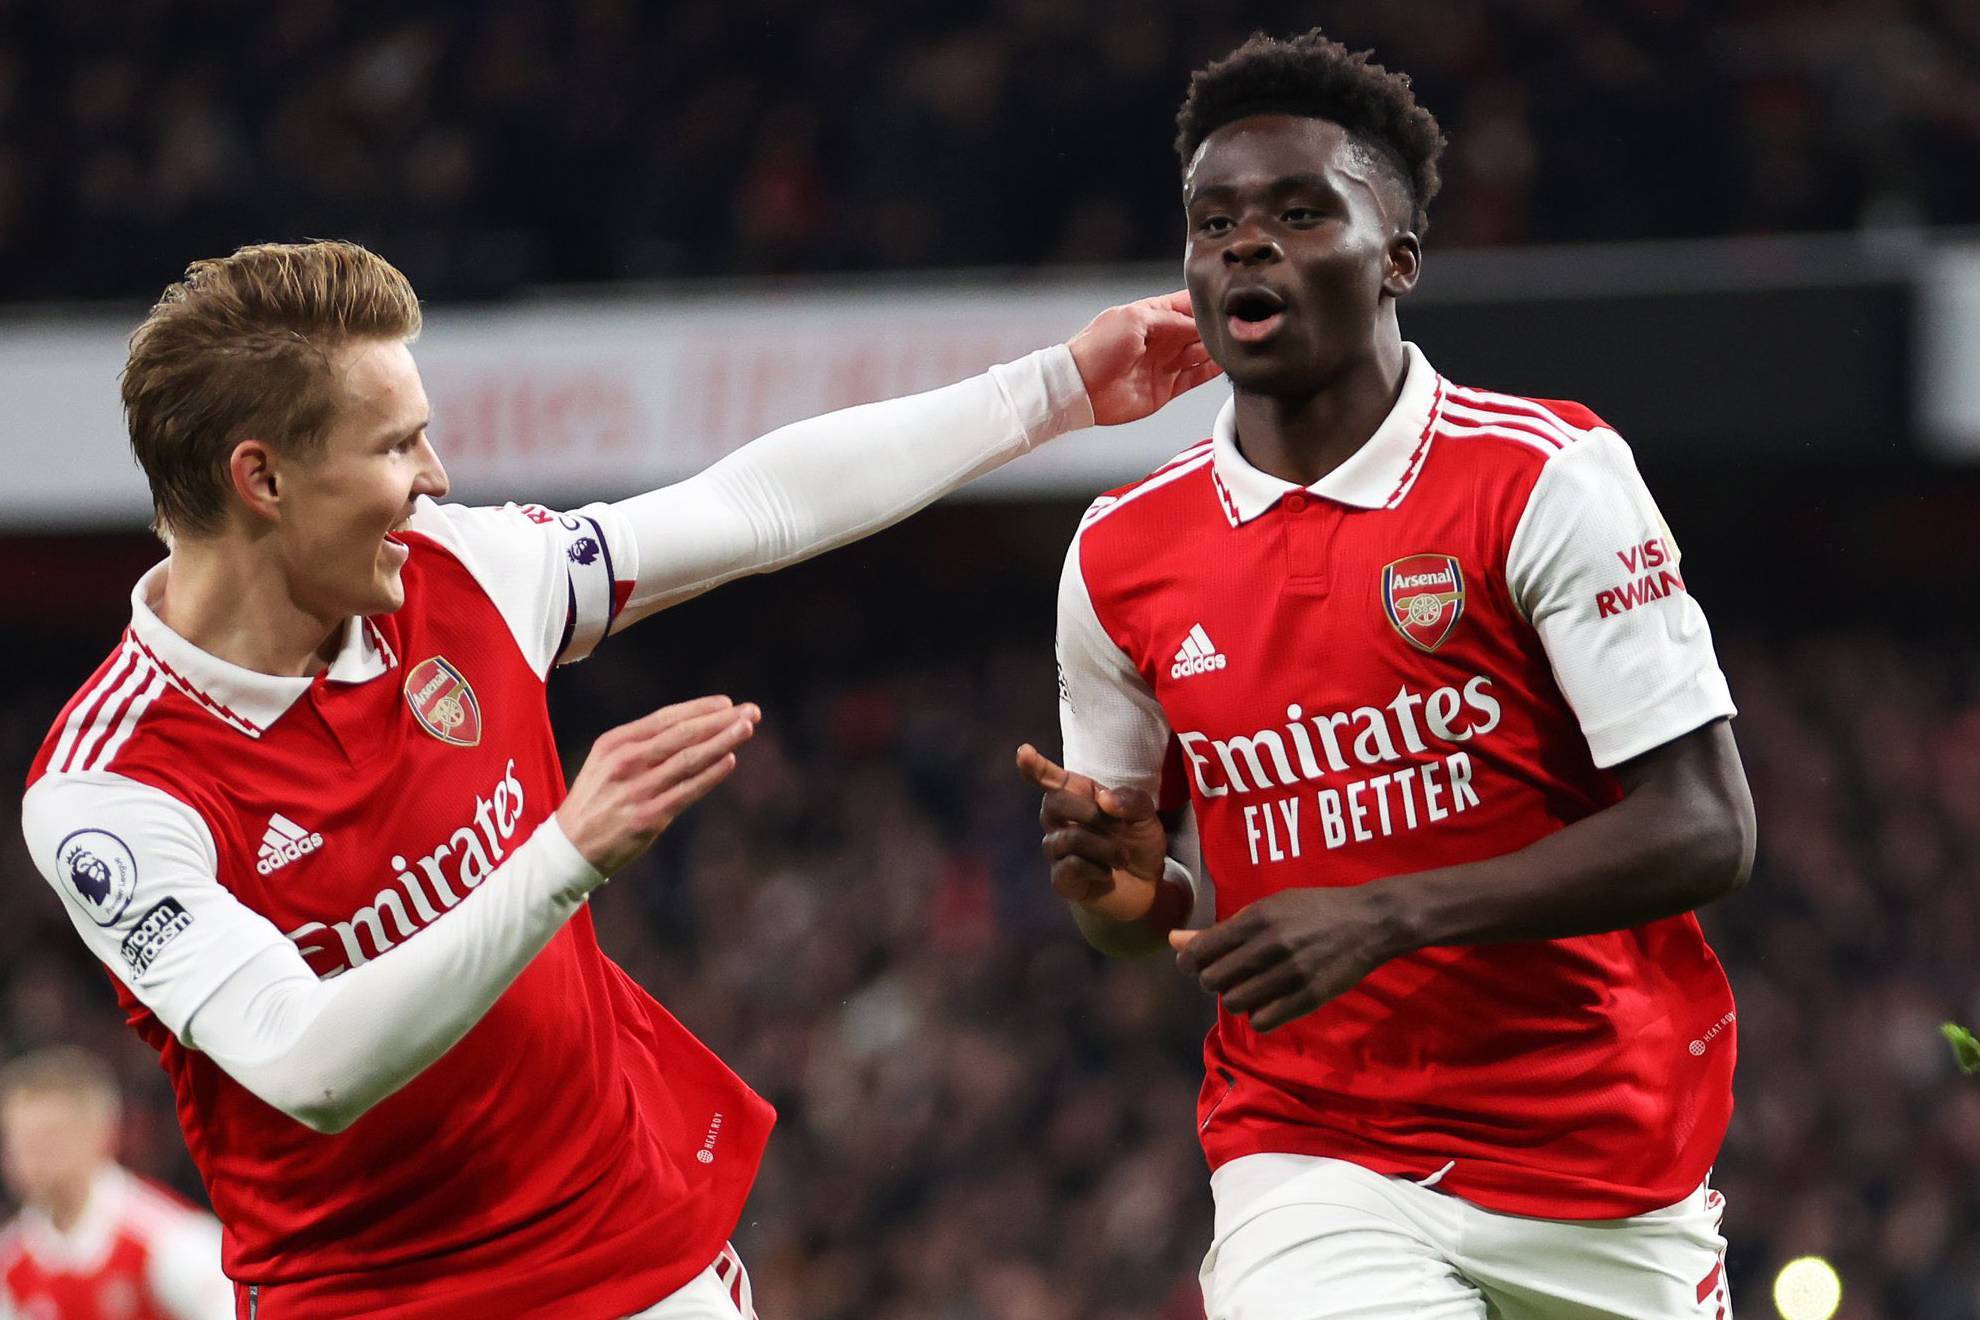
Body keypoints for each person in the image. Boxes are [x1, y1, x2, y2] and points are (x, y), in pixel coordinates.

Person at [19, 239, 1216, 1319]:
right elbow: (309, 1064)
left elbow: (753, 507)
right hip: (371, 1299)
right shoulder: (111, 794)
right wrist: (562, 854)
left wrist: (1057, 387)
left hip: (635, 1264)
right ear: (263, 479)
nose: (436, 475)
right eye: (394, 445)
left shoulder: (463, 576)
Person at [1019, 30, 1756, 1319]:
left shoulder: (1543, 478)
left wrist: (1388, 914)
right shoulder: (1119, 553)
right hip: (1310, 1152)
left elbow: (1708, 827)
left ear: (1398, 257)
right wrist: (1121, 893)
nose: (1246, 246)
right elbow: (1140, 916)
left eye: (1300, 214)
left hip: (1604, 1149)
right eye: (1213, 222)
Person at [1, 1046, 231, 1320]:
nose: (31, 1155)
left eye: (48, 1137)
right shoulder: (10, 1260)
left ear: (102, 1134)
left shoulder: (167, 1238)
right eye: (19, 1140)